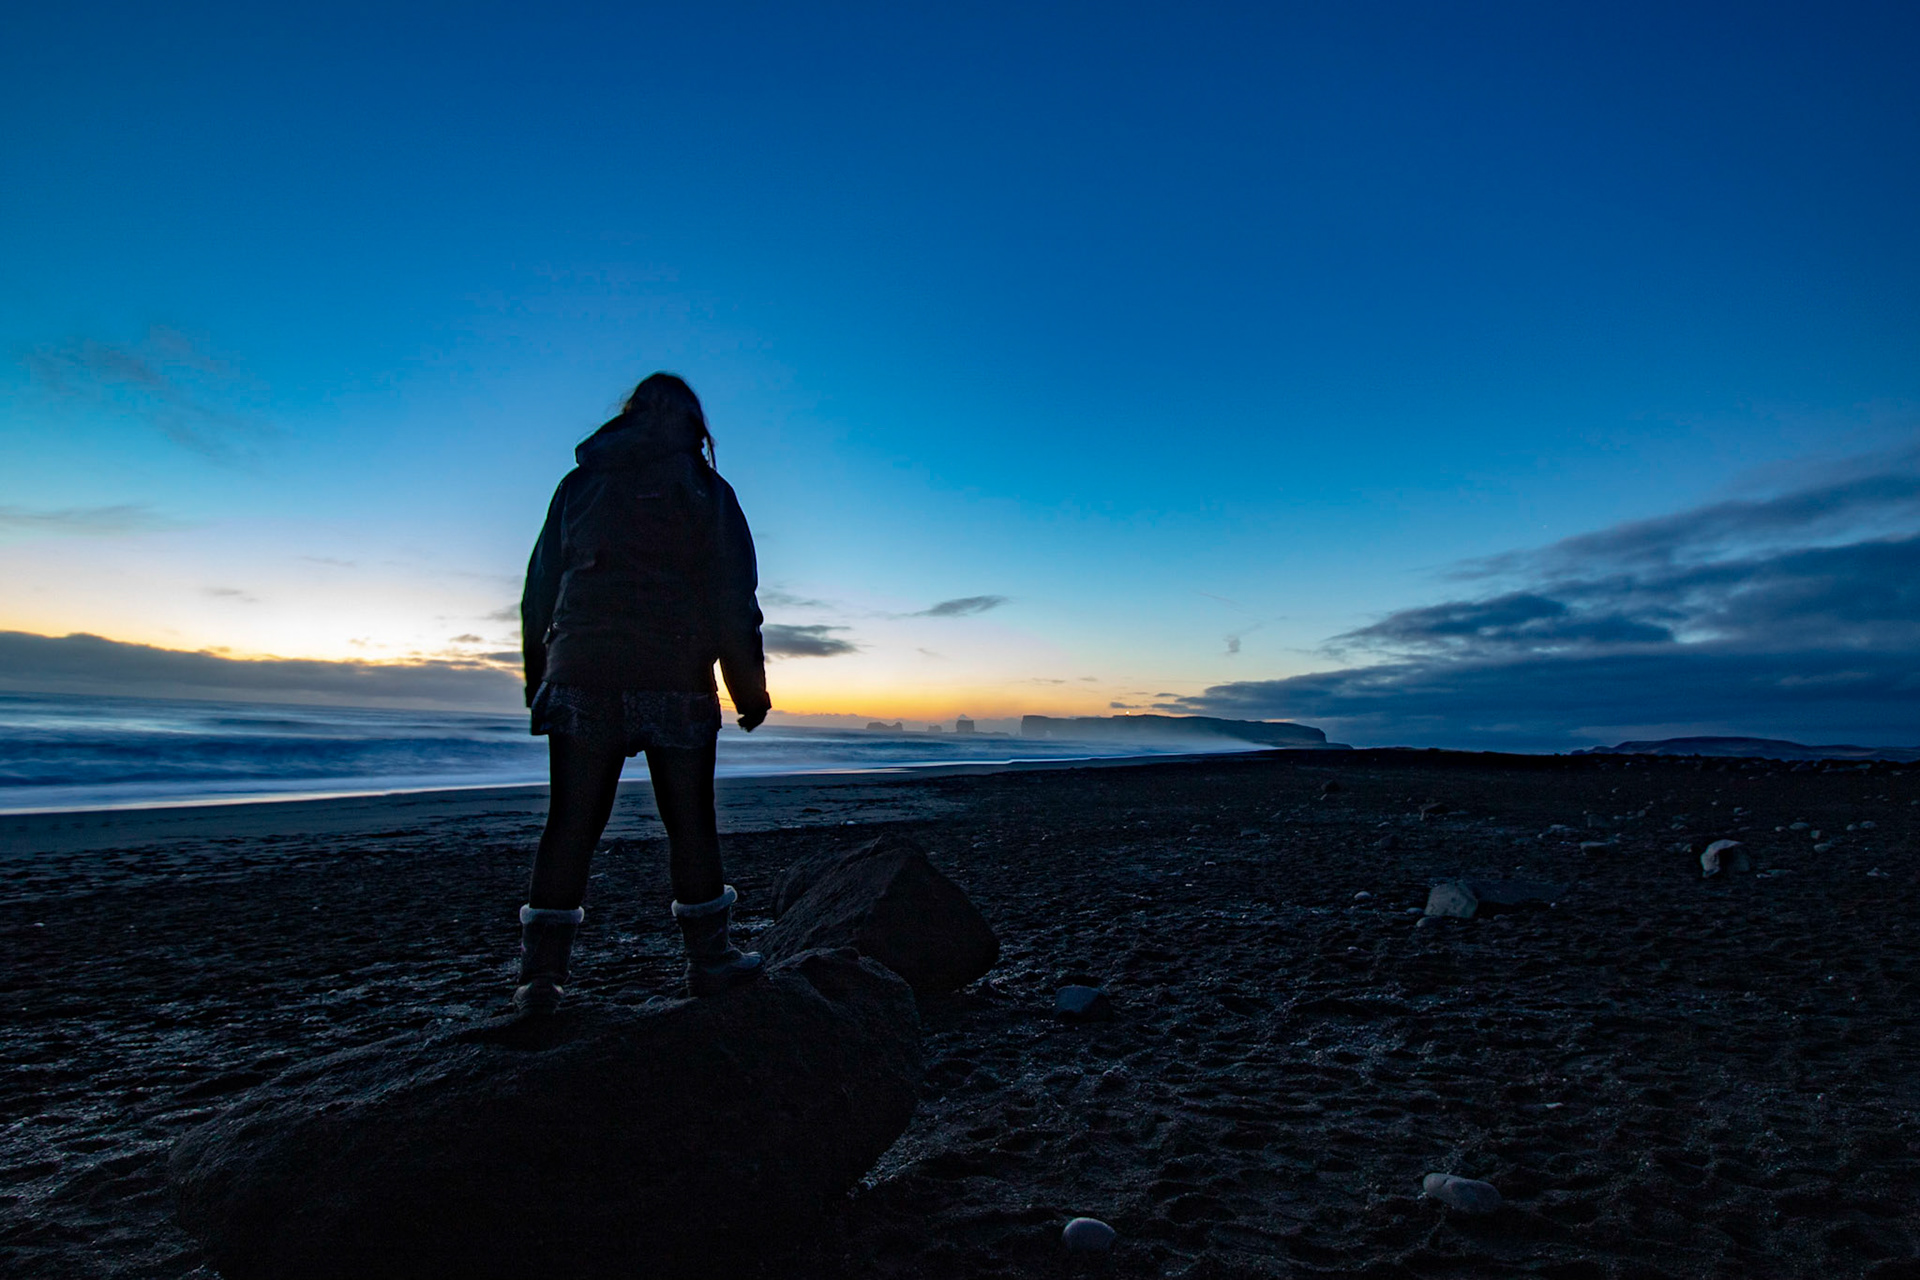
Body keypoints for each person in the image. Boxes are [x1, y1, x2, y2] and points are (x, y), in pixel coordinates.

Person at [512, 372, 772, 1013]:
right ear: (695, 426)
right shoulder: (706, 491)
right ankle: (710, 961)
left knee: (571, 823)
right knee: (690, 823)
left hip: (583, 673)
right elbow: (732, 598)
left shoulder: (579, 485)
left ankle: (541, 980)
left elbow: (539, 589)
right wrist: (748, 689)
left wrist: (539, 674)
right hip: (673, 672)